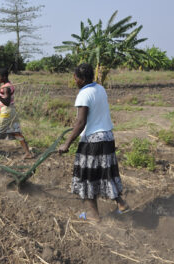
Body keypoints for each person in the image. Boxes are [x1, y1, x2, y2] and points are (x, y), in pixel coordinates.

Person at [58, 63, 129, 222]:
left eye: (75, 77)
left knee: (86, 176)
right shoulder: (100, 88)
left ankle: (93, 215)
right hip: (107, 137)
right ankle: (121, 204)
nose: (74, 80)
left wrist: (67, 144)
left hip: (92, 141)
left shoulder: (84, 94)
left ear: (82, 79)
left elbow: (81, 122)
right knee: (106, 173)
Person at [0, 68, 34, 159]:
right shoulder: (8, 85)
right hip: (12, 111)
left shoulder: (6, 88)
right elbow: (8, 100)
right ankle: (28, 153)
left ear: (4, 77)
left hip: (6, 112)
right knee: (16, 132)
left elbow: (7, 102)